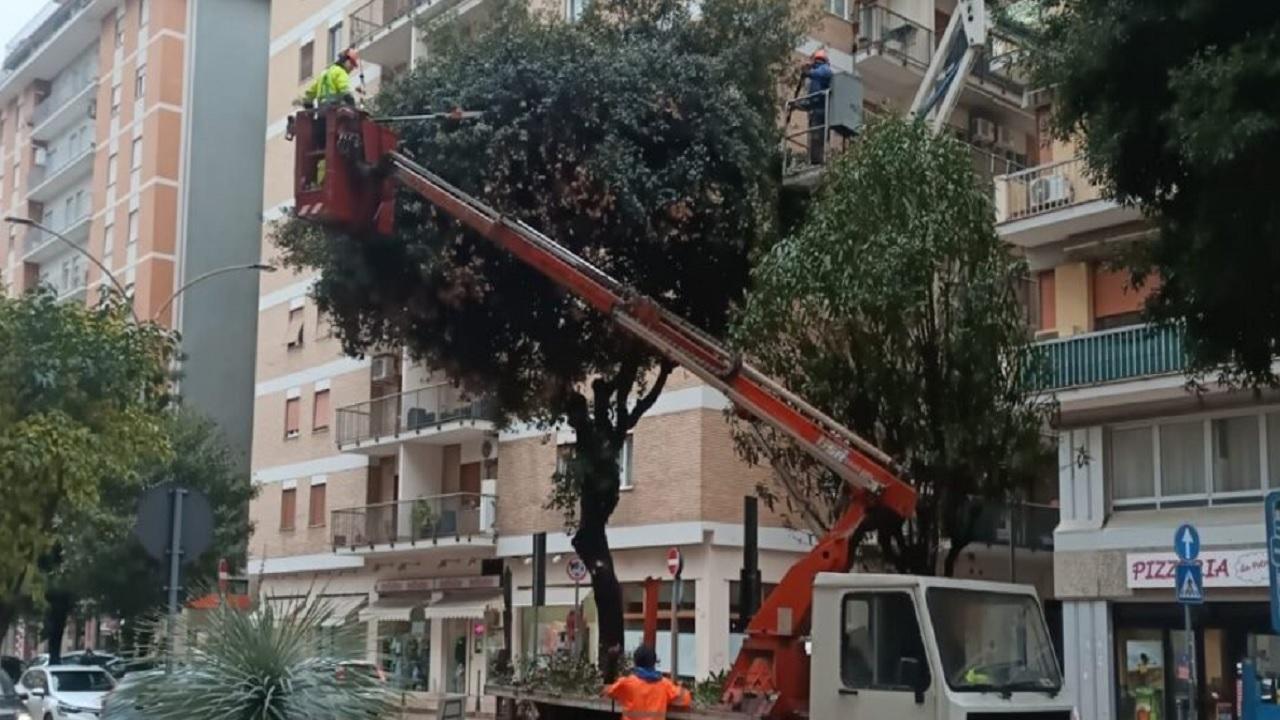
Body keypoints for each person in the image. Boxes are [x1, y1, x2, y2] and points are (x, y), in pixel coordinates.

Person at [604, 645, 691, 720]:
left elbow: (608, 691)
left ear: (635, 662)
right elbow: (686, 699)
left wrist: (610, 662)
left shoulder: (626, 683)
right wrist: (678, 687)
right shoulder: (665, 684)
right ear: (654, 662)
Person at [802, 48, 834, 165]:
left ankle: (818, 160)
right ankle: (814, 160)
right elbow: (810, 96)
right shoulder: (814, 77)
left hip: (822, 110)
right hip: (815, 110)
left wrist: (809, 72)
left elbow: (823, 74)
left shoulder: (824, 70)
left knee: (818, 136)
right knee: (815, 137)